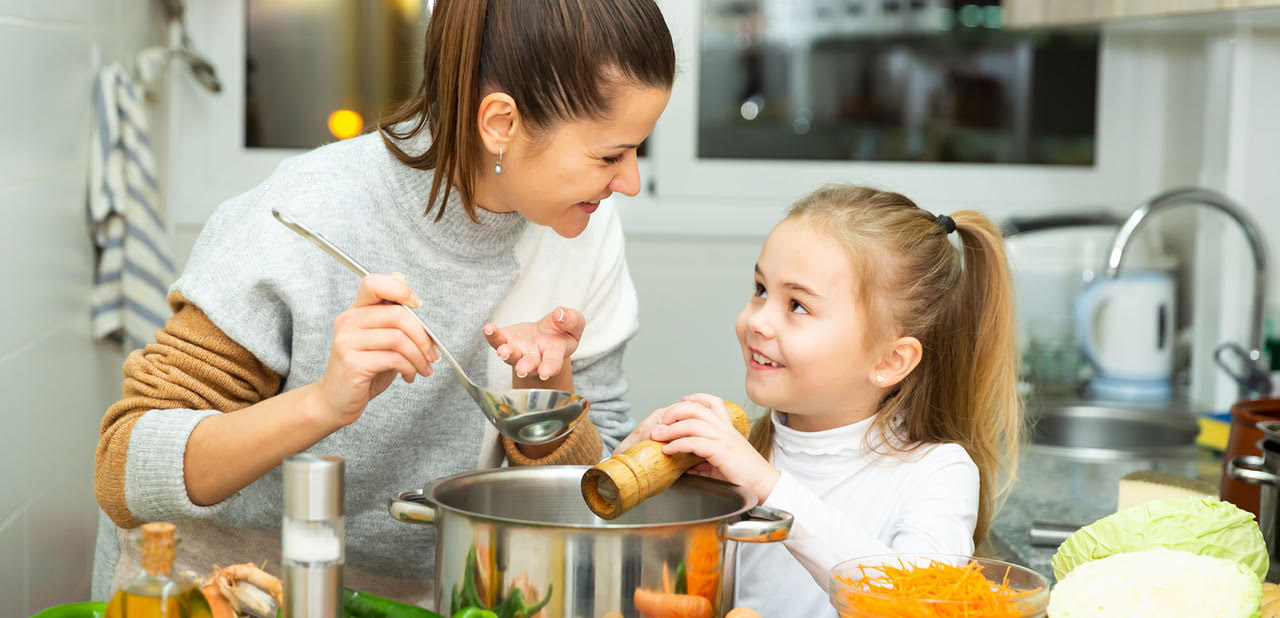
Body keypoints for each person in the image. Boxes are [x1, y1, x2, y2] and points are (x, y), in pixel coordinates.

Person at [91, 0, 675, 605]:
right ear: (500, 122)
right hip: (213, 588)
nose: (628, 182)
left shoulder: (588, 228)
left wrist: (548, 402)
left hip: (414, 596)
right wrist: (321, 404)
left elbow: (602, 488)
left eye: (636, 151)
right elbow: (124, 465)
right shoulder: (308, 213)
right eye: (610, 156)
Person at [617, 185, 1022, 616]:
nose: (758, 320)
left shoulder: (937, 474)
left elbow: (914, 603)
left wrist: (767, 485)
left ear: (889, 359)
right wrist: (638, 467)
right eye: (760, 289)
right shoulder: (745, 455)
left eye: (798, 306)